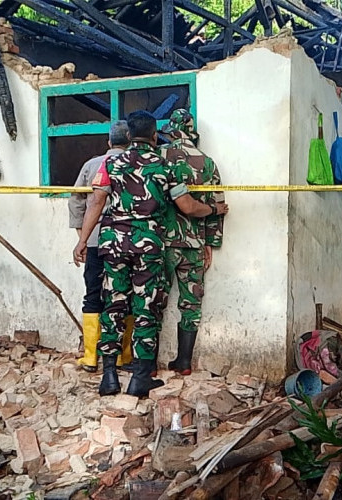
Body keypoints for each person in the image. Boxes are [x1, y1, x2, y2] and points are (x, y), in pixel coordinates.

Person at [72, 111, 228, 397]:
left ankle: (108, 377)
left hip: (114, 243)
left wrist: (82, 240)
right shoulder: (163, 166)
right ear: (155, 135)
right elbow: (188, 207)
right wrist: (214, 210)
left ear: (129, 136)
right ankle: (141, 378)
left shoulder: (111, 163)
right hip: (148, 246)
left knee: (113, 305)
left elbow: (96, 202)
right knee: (146, 308)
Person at [159, 109, 224, 375]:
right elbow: (217, 204)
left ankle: (147, 365)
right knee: (191, 303)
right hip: (195, 244)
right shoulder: (208, 163)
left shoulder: (159, 157)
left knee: (153, 299)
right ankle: (184, 362)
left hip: (161, 243)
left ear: (171, 131)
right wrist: (211, 242)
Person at [69, 121, 134, 373]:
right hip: (128, 242)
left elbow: (76, 202)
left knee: (93, 295)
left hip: (96, 241)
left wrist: (82, 236)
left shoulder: (91, 165)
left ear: (108, 142)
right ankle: (122, 357)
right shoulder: (137, 163)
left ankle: (90, 357)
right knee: (123, 296)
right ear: (130, 140)